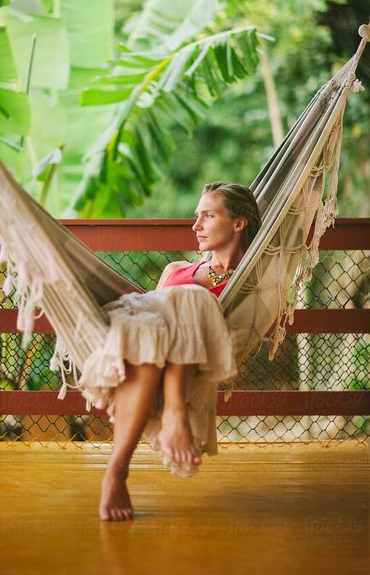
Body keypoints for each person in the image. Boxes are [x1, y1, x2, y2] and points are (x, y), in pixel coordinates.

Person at [92, 182, 261, 521]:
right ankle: (173, 413)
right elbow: (151, 319)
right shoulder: (174, 271)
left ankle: (116, 471)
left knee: (194, 300)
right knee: (182, 305)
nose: (195, 226)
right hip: (132, 330)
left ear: (238, 223)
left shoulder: (249, 285)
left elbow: (231, 330)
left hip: (177, 354)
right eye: (196, 216)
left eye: (208, 216)